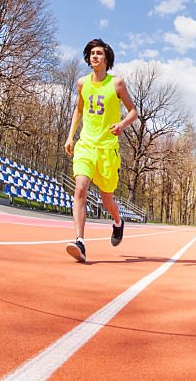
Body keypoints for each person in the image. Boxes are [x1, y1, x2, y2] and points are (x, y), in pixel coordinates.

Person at [63, 39, 138, 262]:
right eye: (91, 53)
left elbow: (134, 112)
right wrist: (70, 136)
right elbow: (79, 110)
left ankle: (118, 222)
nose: (94, 56)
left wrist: (122, 125)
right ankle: (80, 242)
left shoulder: (117, 84)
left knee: (107, 201)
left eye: (99, 53)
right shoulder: (82, 84)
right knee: (80, 189)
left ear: (106, 59)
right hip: (86, 145)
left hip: (107, 150)